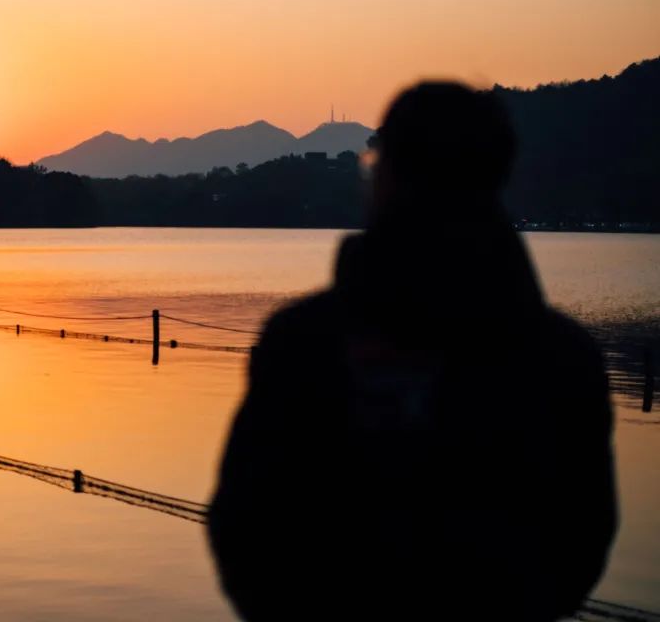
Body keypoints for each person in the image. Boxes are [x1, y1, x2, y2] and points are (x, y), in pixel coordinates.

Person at [207, 82, 617, 621]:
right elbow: (581, 539)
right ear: (498, 176)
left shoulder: (307, 341)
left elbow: (246, 528)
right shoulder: (561, 357)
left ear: (387, 175)